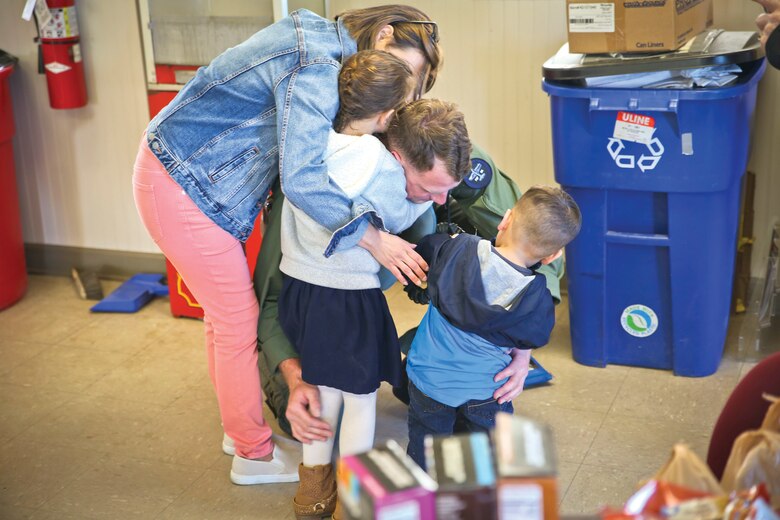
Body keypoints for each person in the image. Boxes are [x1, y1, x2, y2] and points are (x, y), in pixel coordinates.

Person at [132, 5, 441, 486]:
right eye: (405, 71)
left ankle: (240, 434)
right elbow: (301, 176)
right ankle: (252, 457)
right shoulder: (317, 64)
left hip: (174, 175)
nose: (401, 95)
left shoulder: (316, 42)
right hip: (185, 185)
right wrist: (374, 237)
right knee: (237, 323)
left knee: (223, 322)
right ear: (382, 36)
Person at [277, 52, 469, 518]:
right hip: (343, 296)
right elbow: (394, 211)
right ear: (398, 153)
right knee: (361, 401)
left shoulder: (337, 142)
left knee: (325, 392)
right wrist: (402, 220)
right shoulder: (369, 161)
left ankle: (313, 494)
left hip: (302, 288)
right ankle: (357, 496)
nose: (440, 200)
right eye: (431, 186)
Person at [255, 144, 549, 439]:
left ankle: (428, 374)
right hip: (324, 306)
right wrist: (295, 377)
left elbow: (538, 239)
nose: (441, 198)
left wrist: (521, 352)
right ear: (396, 160)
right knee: (310, 417)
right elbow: (271, 297)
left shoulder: (444, 151)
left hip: (426, 337)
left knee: (460, 412)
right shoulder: (310, 184)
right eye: (426, 187)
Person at [404, 186, 582, 469]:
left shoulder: (456, 248)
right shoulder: (536, 296)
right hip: (487, 391)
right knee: (485, 457)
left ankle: (417, 497)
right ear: (550, 258)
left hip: (428, 381)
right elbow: (534, 335)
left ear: (505, 220)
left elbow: (425, 253)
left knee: (424, 448)